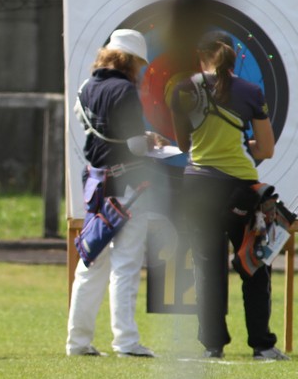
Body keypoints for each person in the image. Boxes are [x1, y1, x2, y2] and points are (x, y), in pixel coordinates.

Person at [173, 30, 287, 360]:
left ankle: (212, 346)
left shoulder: (183, 89)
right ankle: (262, 345)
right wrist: (243, 146)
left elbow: (184, 145)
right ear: (235, 56)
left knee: (207, 265)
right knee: (254, 262)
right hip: (241, 189)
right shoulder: (250, 91)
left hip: (198, 185)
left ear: (200, 55)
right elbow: (266, 148)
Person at [65, 29, 159, 358]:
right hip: (127, 187)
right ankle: (126, 342)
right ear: (132, 61)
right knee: (126, 264)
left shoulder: (87, 87)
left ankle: (77, 342)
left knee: (91, 261)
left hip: (95, 185)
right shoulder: (126, 92)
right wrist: (149, 141)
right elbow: (133, 146)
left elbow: (87, 123)